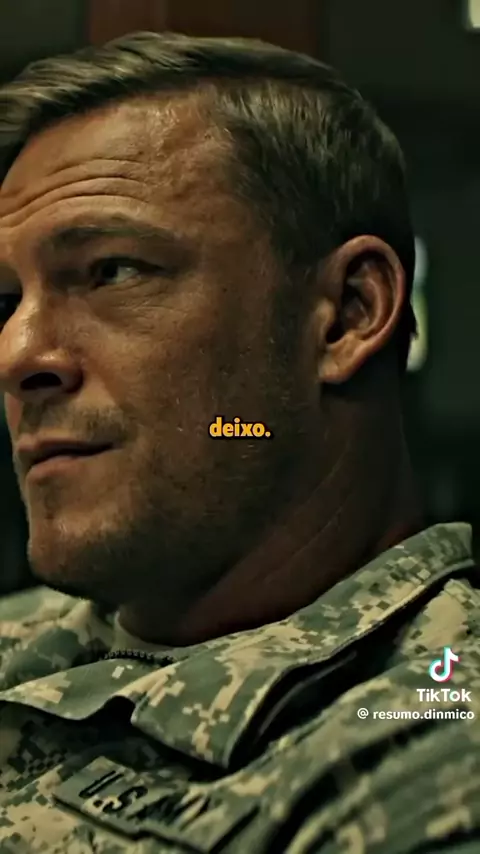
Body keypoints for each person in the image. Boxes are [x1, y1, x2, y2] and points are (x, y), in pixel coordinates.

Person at [0, 31, 478, 854]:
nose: (17, 355)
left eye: (112, 270)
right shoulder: (34, 634)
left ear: (349, 315)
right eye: (6, 299)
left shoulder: (426, 735)